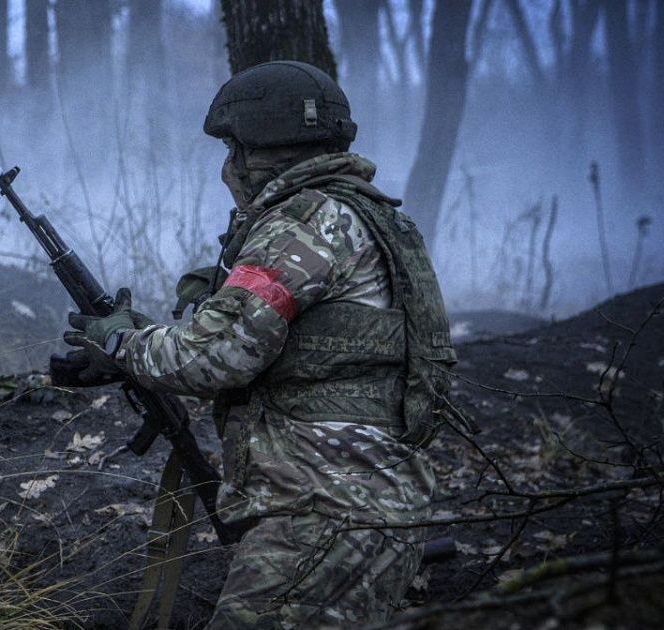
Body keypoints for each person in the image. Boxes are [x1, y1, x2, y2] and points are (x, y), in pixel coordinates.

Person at [56, 60, 460, 628]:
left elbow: (215, 356)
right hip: (356, 501)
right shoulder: (360, 217)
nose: (227, 169)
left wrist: (122, 342)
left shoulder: (304, 223)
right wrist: (148, 341)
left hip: (324, 509)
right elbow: (283, 349)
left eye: (233, 150)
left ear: (262, 150)